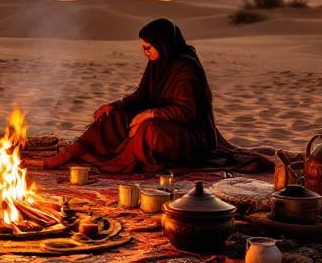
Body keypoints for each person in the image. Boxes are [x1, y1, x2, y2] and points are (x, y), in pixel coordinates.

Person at [43, 18, 268, 174]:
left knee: (149, 129)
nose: (145, 52)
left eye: (149, 47)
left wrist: (148, 115)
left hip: (191, 136)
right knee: (114, 116)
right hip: (164, 122)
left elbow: (187, 112)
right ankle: (75, 150)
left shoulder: (185, 68)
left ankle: (116, 162)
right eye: (144, 48)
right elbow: (142, 95)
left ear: (163, 44)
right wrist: (116, 104)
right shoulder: (158, 63)